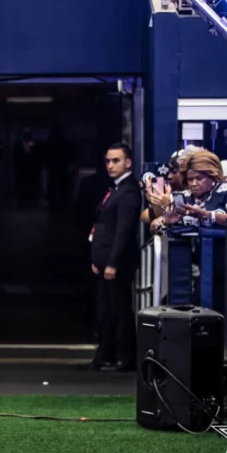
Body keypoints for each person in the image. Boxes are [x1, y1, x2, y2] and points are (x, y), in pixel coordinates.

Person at [90, 143, 141, 372]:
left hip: (117, 264)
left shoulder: (129, 192)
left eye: (116, 161)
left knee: (119, 311)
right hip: (104, 262)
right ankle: (107, 354)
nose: (110, 165)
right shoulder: (117, 189)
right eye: (108, 161)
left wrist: (112, 263)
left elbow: (124, 230)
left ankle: (125, 356)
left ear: (128, 162)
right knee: (107, 311)